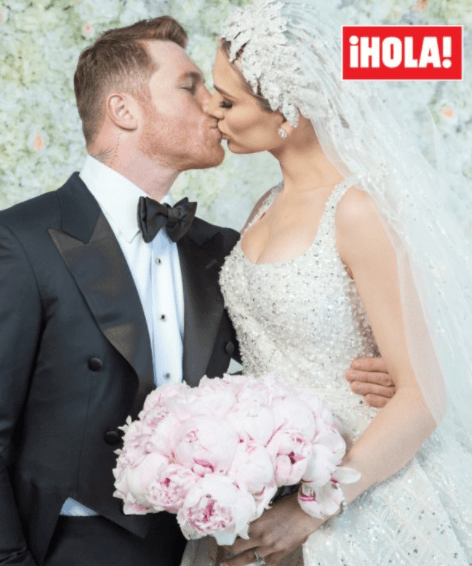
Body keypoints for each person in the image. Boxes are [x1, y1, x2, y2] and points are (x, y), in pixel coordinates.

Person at [0, 14, 395, 566]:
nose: (215, 105)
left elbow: (287, 350)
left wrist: (375, 371)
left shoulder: (223, 249)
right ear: (124, 111)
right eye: (191, 87)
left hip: (203, 542)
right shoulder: (21, 241)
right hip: (71, 545)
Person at [186, 0, 472, 565]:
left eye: (228, 100)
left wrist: (310, 509)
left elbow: (421, 397)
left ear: (287, 112)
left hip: (365, 495)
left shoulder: (357, 210)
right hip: (268, 488)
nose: (212, 111)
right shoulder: (263, 206)